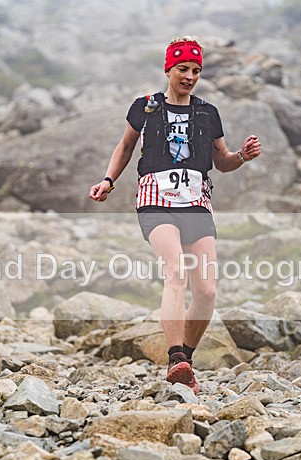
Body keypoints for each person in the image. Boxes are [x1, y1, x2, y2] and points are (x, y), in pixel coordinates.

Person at [89, 37, 262, 393]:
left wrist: (242, 156)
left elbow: (222, 162)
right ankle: (175, 359)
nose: (189, 76)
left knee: (208, 291)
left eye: (196, 70)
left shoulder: (207, 112)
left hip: (197, 202)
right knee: (176, 271)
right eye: (183, 68)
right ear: (168, 69)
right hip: (156, 199)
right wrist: (108, 180)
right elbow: (124, 147)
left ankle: (185, 361)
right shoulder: (146, 107)